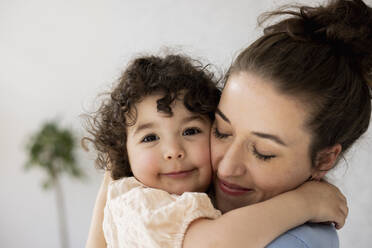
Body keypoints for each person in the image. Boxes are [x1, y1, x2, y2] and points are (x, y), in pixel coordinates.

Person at [87, 0, 372, 247]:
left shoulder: (296, 241)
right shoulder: (148, 202)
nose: (225, 168)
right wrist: (305, 203)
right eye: (222, 132)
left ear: (324, 158)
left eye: (263, 151)